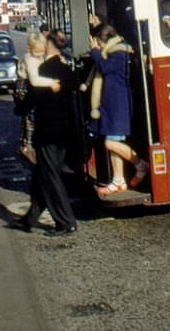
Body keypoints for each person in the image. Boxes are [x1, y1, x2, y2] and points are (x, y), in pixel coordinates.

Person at [12, 30, 77, 237]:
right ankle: (30, 218)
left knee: (50, 177)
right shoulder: (66, 68)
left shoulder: (43, 70)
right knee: (42, 175)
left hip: (47, 132)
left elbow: (28, 103)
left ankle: (66, 222)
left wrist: (19, 106)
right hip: (65, 131)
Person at [88, 23, 148, 195]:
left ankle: (140, 164)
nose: (97, 45)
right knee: (115, 143)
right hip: (114, 105)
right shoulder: (116, 52)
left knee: (110, 143)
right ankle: (118, 180)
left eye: (98, 41)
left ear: (103, 39)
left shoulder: (120, 53)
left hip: (118, 106)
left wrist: (95, 52)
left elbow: (104, 68)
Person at [16, 31, 60, 162]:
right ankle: (28, 145)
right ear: (29, 49)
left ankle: (30, 143)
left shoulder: (38, 57)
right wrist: (51, 82)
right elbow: (35, 80)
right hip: (26, 88)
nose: (41, 55)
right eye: (37, 52)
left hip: (33, 87)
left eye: (43, 51)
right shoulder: (29, 59)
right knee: (31, 115)